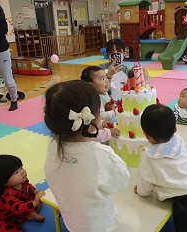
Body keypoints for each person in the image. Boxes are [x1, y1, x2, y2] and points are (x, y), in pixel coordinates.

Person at [44, 80, 130, 232]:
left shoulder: (53, 147)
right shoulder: (102, 155)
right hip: (100, 224)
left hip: (72, 221)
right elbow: (121, 183)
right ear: (92, 117)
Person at [134, 104, 187, 232]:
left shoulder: (149, 156)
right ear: (175, 128)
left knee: (186, 229)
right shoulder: (178, 140)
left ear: (146, 135)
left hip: (186, 199)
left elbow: (144, 179)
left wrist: (141, 191)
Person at [0, 154, 46, 232]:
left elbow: (28, 186)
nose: (22, 172)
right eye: (16, 172)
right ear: (3, 181)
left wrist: (34, 191)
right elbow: (18, 208)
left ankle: (29, 215)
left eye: (21, 167)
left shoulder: (21, 181)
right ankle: (29, 214)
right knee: (5, 229)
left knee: (40, 199)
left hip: (23, 206)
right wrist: (34, 203)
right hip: (9, 218)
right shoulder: (6, 195)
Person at [81, 66, 120, 142]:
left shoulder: (103, 93)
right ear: (91, 85)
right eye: (102, 79)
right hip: (97, 133)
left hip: (104, 124)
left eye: (106, 77)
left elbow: (110, 103)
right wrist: (113, 112)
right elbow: (99, 115)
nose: (107, 81)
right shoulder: (94, 99)